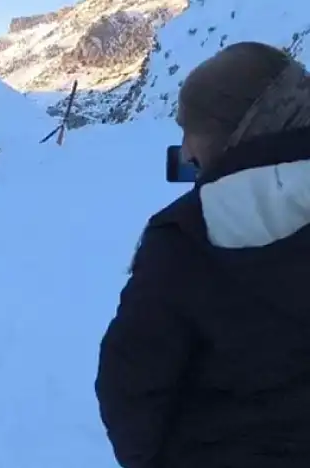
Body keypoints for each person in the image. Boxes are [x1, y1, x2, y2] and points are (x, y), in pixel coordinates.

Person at [95, 41, 310, 468]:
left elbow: (131, 388)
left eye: (190, 132)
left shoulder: (184, 236)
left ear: (232, 132)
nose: (187, 152)